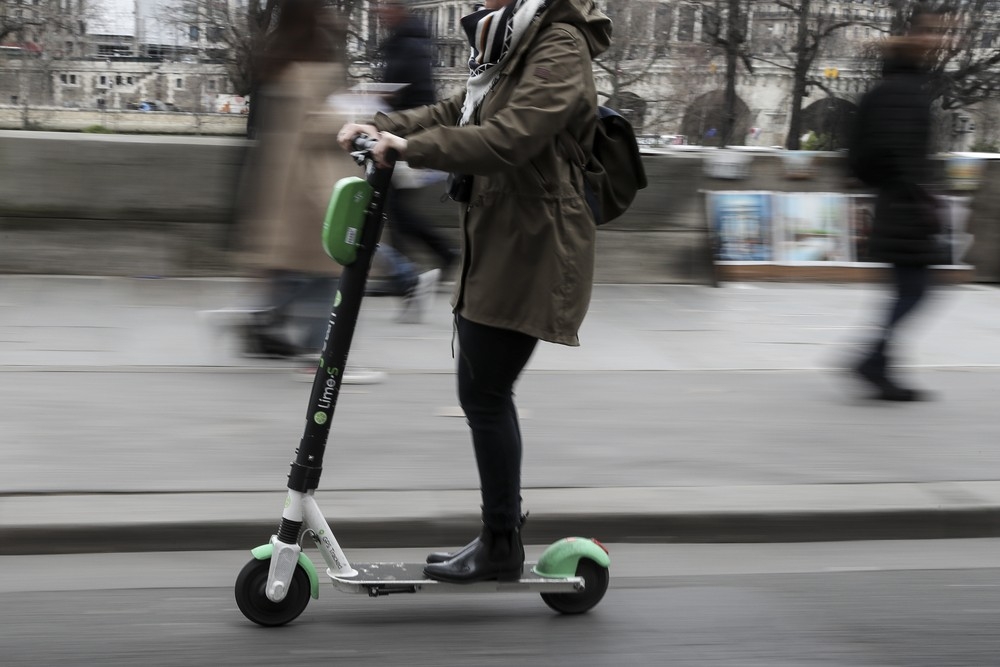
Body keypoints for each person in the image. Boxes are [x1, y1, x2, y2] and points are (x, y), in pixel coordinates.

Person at [338, 0, 611, 584]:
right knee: (482, 392)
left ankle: (501, 544)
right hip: (502, 238)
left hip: (537, 247)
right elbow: (454, 111)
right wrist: (384, 127)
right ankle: (498, 538)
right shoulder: (505, 43)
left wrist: (409, 149)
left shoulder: (559, 44)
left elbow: (511, 138)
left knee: (485, 393)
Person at [224, 0, 384, 381]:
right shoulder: (312, 65)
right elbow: (314, 125)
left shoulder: (278, 57)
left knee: (301, 275)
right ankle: (320, 356)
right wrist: (358, 112)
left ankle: (257, 321)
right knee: (326, 274)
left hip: (283, 185)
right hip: (311, 187)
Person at [847, 3, 952, 401]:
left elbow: (864, 154)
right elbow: (890, 152)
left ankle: (876, 361)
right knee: (916, 289)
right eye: (933, 32)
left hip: (899, 201)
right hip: (906, 206)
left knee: (911, 289)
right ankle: (873, 360)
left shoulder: (892, 87)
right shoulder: (903, 91)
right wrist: (913, 192)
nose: (941, 40)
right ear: (914, 38)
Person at [377, 0, 460, 275]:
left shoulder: (410, 46)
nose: (380, 11)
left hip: (405, 140)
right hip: (396, 134)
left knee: (396, 211)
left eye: (385, 5)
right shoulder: (403, 43)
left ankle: (425, 263)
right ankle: (408, 269)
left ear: (399, 9)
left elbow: (422, 98)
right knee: (395, 210)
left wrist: (385, 98)